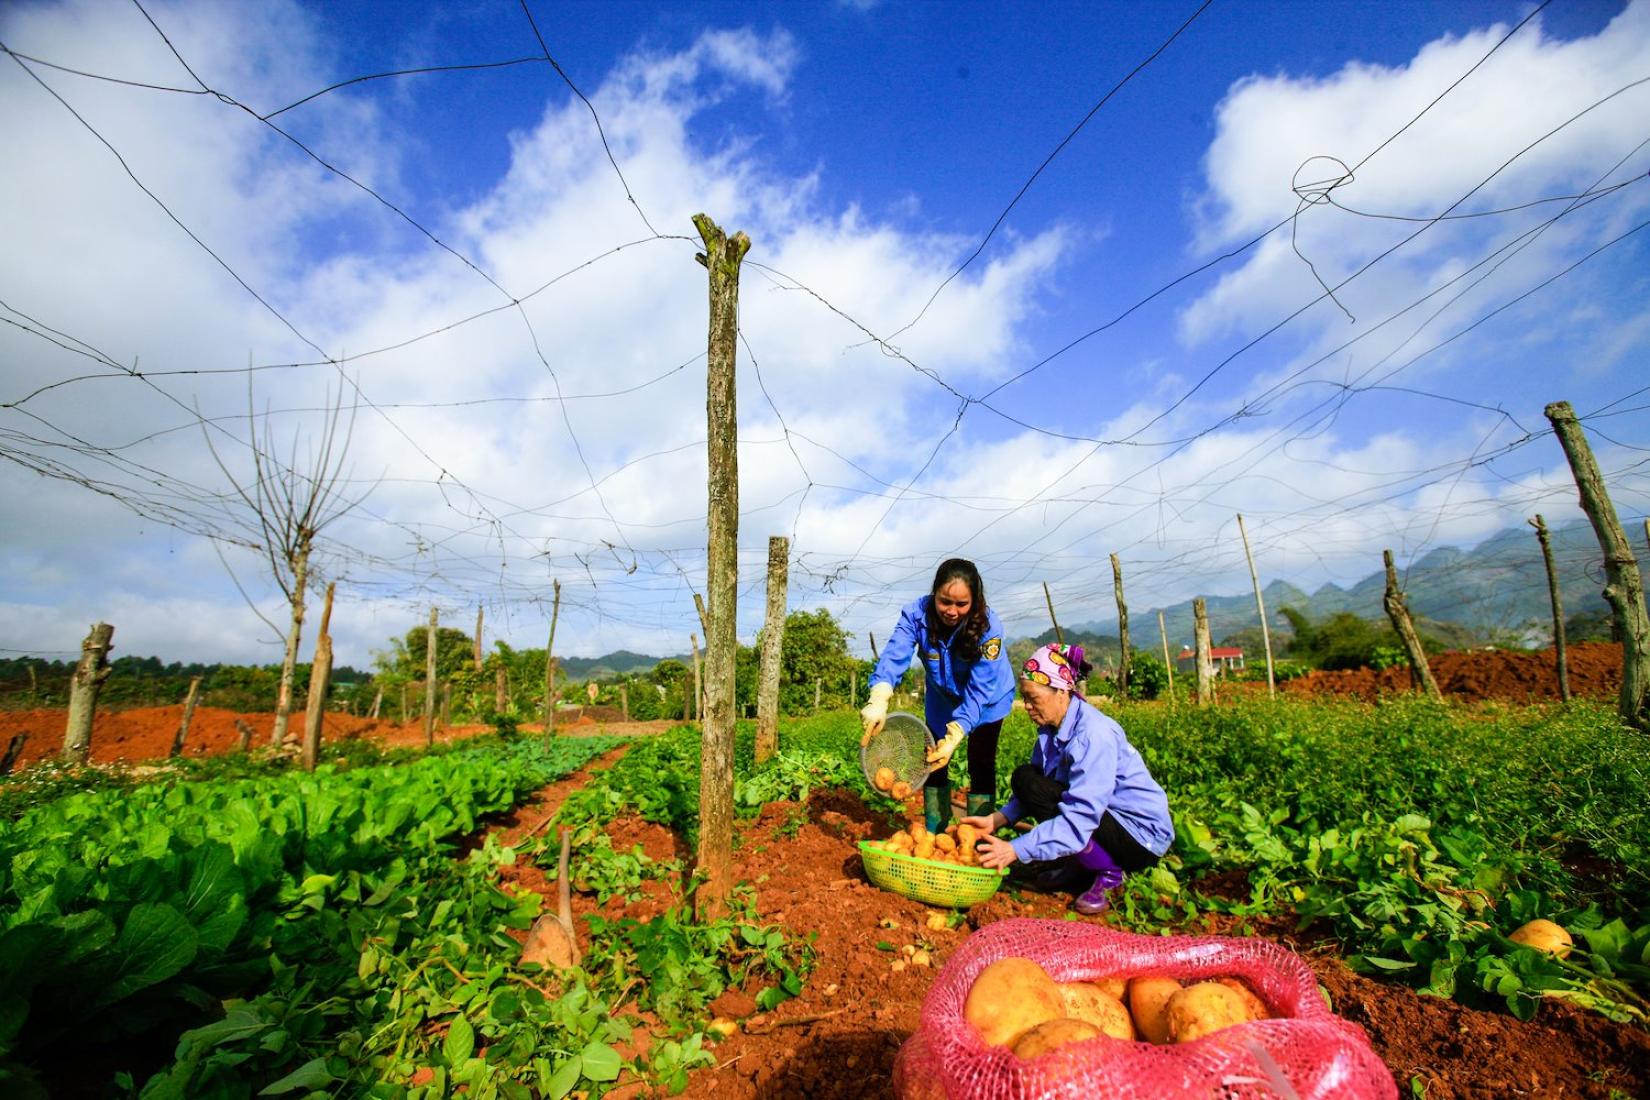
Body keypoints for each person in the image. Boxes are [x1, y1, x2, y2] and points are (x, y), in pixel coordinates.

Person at [960, 642, 1173, 915]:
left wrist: (1013, 850)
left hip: (1139, 836)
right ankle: (1080, 862)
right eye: (1024, 698)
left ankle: (1108, 872)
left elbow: (1081, 817)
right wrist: (997, 820)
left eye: (1033, 698)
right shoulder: (1052, 729)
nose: (1026, 706)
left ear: (1062, 691)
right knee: (1026, 779)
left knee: (1049, 797)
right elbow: (1039, 786)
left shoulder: (1093, 735)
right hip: (1106, 818)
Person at [860, 558, 1015, 833]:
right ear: (934, 594)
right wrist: (879, 696)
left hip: (988, 701)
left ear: (975, 600)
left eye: (961, 604)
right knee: (933, 762)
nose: (952, 611)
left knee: (981, 763)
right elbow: (895, 655)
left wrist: (956, 734)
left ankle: (978, 837)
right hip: (941, 702)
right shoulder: (916, 615)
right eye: (945, 601)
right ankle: (935, 831)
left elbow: (980, 689)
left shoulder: (989, 628)